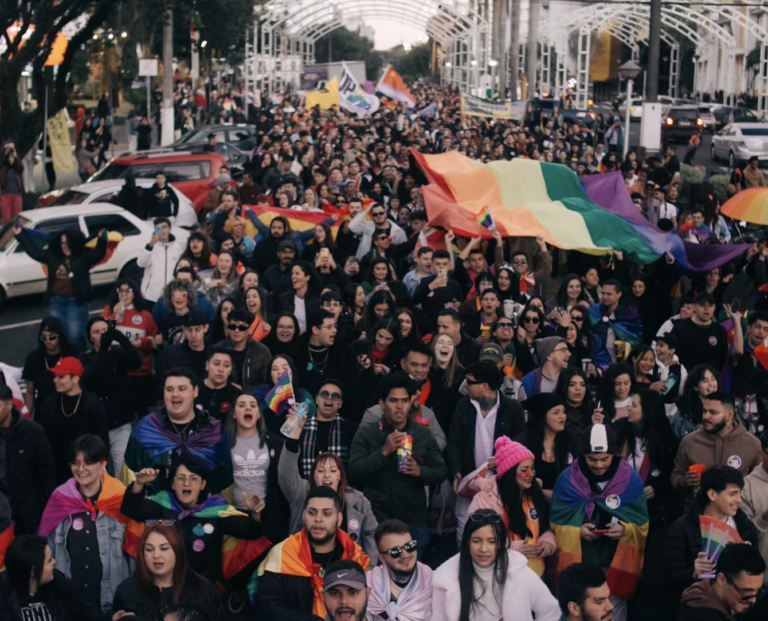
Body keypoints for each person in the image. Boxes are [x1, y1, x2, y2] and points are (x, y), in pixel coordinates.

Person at [120, 453, 268, 587]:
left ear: (203, 484)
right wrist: (139, 484)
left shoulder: (216, 510)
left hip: (204, 587)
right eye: (181, 478)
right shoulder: (162, 506)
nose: (186, 483)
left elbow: (251, 532)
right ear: (172, 483)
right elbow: (132, 510)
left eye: (193, 478)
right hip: (165, 586)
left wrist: (255, 514)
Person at [549, 425, 649, 621]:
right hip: (580, 559)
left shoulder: (630, 480)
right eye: (592, 459)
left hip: (614, 559)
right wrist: (577, 532)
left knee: (613, 607)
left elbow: (642, 523)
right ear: (582, 455)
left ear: (614, 454)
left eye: (605, 459)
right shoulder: (567, 480)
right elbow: (555, 522)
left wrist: (625, 530)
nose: (599, 465)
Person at [348, 373, 447, 559]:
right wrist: (383, 452)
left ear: (411, 402)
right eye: (393, 400)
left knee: (414, 579)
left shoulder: (423, 434)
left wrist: (420, 472)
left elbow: (441, 471)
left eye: (404, 400)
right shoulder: (366, 433)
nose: (399, 406)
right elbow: (353, 472)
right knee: (377, 579)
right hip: (376, 521)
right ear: (382, 403)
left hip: (414, 521)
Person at [38, 435, 132, 617]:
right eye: (75, 463)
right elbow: (46, 549)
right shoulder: (59, 499)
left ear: (103, 463)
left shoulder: (120, 498)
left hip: (112, 603)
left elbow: (135, 552)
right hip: (68, 603)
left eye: (88, 463)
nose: (81, 469)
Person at [256, 485, 371, 620]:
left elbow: (367, 605)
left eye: (327, 513)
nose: (318, 519)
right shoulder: (282, 553)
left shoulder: (356, 556)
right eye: (312, 512)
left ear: (339, 519)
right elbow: (267, 606)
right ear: (304, 516)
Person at [431, 509, 561, 621]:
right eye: (476, 541)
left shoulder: (518, 571)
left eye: (492, 541)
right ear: (467, 542)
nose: (484, 549)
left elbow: (550, 610)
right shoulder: (445, 579)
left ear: (501, 543)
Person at [121, 368, 234, 496]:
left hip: (204, 512)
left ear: (195, 392)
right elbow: (127, 482)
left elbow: (225, 485)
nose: (175, 394)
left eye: (182, 389)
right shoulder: (144, 430)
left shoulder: (214, 431)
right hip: (156, 510)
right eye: (169, 389)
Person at [447, 361, 526, 541]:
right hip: (469, 480)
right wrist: (456, 471)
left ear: (484, 386)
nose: (466, 385)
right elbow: (453, 441)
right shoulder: (463, 406)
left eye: (470, 381)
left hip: (501, 483)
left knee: (498, 532)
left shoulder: (513, 409)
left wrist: (503, 458)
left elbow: (520, 442)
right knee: (463, 532)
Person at [666, 466, 759, 613]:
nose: (739, 500)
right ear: (712, 494)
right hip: (700, 610)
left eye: (740, 493)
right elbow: (670, 577)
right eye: (733, 494)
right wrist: (693, 573)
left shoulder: (745, 527)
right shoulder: (682, 529)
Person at [468, 437, 557, 577]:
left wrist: (548, 541)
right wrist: (517, 547)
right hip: (499, 575)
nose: (530, 475)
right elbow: (478, 539)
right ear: (509, 473)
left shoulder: (534, 494)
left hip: (535, 574)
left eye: (532, 469)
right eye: (524, 470)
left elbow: (545, 527)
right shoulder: (485, 499)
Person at [278, 435, 378, 558]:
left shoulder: (359, 500)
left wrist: (369, 566)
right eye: (320, 471)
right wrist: (292, 439)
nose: (326, 475)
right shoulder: (302, 493)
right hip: (304, 564)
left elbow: (372, 533)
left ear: (340, 476)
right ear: (313, 476)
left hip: (349, 568)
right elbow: (285, 476)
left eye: (333, 470)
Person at [14, 224, 107, 352]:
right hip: (55, 302)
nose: (65, 246)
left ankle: (80, 360)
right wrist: (19, 235)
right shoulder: (52, 255)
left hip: (76, 302)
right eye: (62, 243)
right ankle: (64, 362)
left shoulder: (84, 255)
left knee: (75, 335)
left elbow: (99, 254)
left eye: (68, 243)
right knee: (60, 335)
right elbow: (34, 252)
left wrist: (102, 239)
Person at [111, 523, 221, 619]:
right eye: (149, 549)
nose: (156, 555)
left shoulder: (202, 589)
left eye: (164, 548)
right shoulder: (126, 590)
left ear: (177, 551)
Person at [80, 317, 142, 476]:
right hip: (95, 428)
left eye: (104, 331)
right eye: (96, 332)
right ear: (90, 337)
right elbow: (88, 380)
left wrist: (121, 338)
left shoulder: (118, 353)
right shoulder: (85, 359)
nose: (102, 335)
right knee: (98, 475)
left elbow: (136, 362)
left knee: (126, 473)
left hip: (120, 424)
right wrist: (102, 351)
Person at [671, 391, 762, 497]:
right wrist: (685, 481)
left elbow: (759, 481)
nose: (706, 417)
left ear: (730, 415)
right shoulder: (689, 442)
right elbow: (676, 476)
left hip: (737, 510)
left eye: (713, 413)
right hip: (698, 510)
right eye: (704, 411)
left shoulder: (752, 444)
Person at [35, 357, 109, 485]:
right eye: (55, 377)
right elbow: (40, 438)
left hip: (86, 472)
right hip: (56, 472)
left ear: (75, 379)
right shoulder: (49, 404)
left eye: (61, 377)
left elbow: (102, 443)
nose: (55, 381)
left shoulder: (92, 405)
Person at [0, 382, 55, 535]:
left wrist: (49, 514)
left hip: (28, 516)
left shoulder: (33, 432)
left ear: (9, 404)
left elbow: (46, 476)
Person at [100, 278, 158, 417]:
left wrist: (143, 342)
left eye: (128, 290)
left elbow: (154, 341)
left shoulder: (144, 315)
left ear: (135, 294)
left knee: (142, 412)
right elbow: (100, 337)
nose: (124, 294)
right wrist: (113, 316)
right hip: (116, 371)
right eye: (121, 290)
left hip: (139, 372)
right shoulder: (108, 311)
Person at [288, 309, 360, 419]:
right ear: (315, 330)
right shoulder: (294, 354)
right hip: (303, 416)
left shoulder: (346, 352)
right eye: (329, 327)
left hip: (340, 416)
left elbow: (353, 389)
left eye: (334, 326)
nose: (335, 330)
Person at [0, 534, 88, 621]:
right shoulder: (5, 595)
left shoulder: (60, 585)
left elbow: (84, 612)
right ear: (33, 571)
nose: (54, 561)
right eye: (49, 560)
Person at [678, 543, 765, 621]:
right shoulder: (701, 616)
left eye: (758, 592)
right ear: (722, 579)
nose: (753, 600)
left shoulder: (729, 607)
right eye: (746, 592)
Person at [366, 519, 433, 621]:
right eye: (395, 551)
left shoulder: (432, 583)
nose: (405, 555)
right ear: (382, 558)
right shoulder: (368, 584)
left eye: (409, 546)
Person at [22, 316, 76, 417]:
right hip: (44, 409)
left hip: (69, 407)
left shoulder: (72, 354)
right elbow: (30, 392)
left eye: (52, 337)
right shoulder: (33, 358)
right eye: (43, 337)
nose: (47, 341)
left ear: (60, 336)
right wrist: (27, 417)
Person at [587, 280, 643, 372]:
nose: (604, 297)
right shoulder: (594, 312)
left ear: (619, 294)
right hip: (598, 364)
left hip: (621, 366)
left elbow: (637, 339)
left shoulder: (630, 314)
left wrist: (627, 345)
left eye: (609, 294)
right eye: (603, 293)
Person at [670, 293, 728, 374]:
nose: (706, 308)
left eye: (710, 305)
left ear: (714, 307)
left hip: (710, 383)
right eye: (702, 305)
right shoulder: (680, 328)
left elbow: (723, 360)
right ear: (694, 307)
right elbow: (670, 354)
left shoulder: (720, 331)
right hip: (684, 381)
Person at [154, 310, 211, 392]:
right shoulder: (169, 353)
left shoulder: (214, 354)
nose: (193, 335)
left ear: (205, 328)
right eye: (189, 330)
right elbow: (159, 384)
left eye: (198, 329)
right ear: (184, 329)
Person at [218, 308, 270, 392]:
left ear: (249, 329)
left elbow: (267, 384)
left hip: (254, 399)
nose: (236, 331)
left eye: (242, 327)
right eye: (232, 327)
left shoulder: (263, 352)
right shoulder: (218, 349)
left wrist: (243, 389)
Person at [138, 217, 185, 306]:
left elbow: (180, 269)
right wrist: (151, 244)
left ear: (170, 229)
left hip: (171, 294)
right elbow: (141, 263)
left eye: (164, 227)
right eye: (158, 228)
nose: (162, 230)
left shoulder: (177, 247)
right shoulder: (148, 244)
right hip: (151, 295)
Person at [741, 430, 768, 584]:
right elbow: (744, 536)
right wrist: (764, 519)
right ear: (760, 454)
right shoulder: (747, 486)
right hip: (762, 579)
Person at [672, 363, 719, 440]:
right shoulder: (682, 416)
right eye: (705, 381)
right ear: (695, 387)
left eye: (713, 379)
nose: (711, 384)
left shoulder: (725, 408)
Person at [194, 344, 240, 421]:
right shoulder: (193, 389)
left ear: (231, 370)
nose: (221, 369)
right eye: (216, 364)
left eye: (226, 365)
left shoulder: (237, 395)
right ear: (207, 365)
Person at [0, 143, 25, 224]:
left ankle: (16, 235)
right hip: (5, 195)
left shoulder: (17, 169)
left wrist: (15, 154)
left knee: (16, 219)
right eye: (10, 156)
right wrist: (5, 147)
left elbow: (21, 167)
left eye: (12, 157)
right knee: (6, 219)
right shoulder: (3, 168)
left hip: (17, 196)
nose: (11, 158)